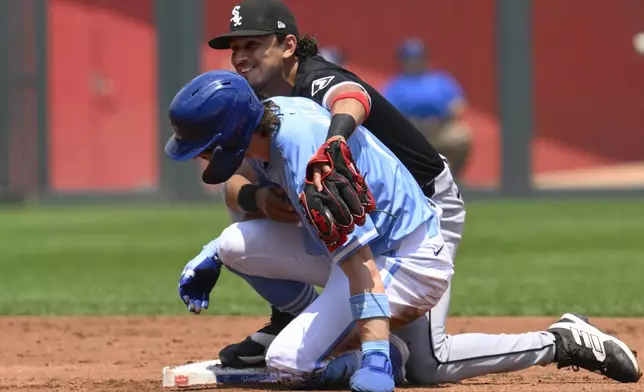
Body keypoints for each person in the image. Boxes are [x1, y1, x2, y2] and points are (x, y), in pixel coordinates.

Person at [185, 0, 641, 385]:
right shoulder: (251, 102)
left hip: (422, 206)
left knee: (428, 363)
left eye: (252, 44)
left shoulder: (313, 80)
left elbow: (353, 97)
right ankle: (305, 324)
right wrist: (259, 200)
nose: (241, 56)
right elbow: (233, 180)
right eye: (234, 48)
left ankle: (562, 340)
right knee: (242, 236)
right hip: (357, 223)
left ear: (287, 46)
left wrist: (336, 139)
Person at [165, 69, 455, 391]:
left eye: (205, 148)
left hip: (407, 261)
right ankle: (320, 327)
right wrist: (213, 253)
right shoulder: (268, 120)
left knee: (288, 364)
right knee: (231, 244)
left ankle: (386, 354)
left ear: (232, 133)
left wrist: (374, 357)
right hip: (364, 252)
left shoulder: (307, 163)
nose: (202, 157)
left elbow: (361, 265)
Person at [382, 37, 472, 180]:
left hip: (441, 126)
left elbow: (459, 105)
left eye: (417, 58)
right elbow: (387, 112)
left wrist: (443, 118)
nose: (414, 62)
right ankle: (411, 181)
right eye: (410, 59)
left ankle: (453, 179)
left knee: (461, 135)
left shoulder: (440, 79)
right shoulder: (396, 84)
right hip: (412, 129)